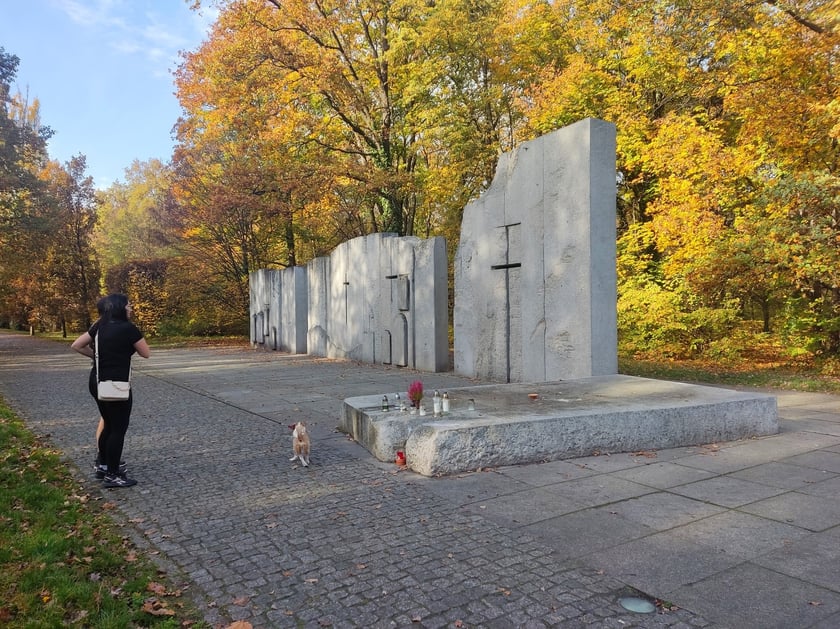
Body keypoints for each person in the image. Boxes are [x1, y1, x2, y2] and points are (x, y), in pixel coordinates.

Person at [71, 294, 150, 488]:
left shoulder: (99, 326)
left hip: (97, 381)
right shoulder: (128, 329)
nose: (130, 309)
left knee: (108, 423)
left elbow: (76, 345)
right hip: (117, 384)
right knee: (118, 429)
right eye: (128, 306)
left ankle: (104, 465)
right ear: (120, 308)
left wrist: (97, 355)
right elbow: (145, 353)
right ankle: (113, 474)